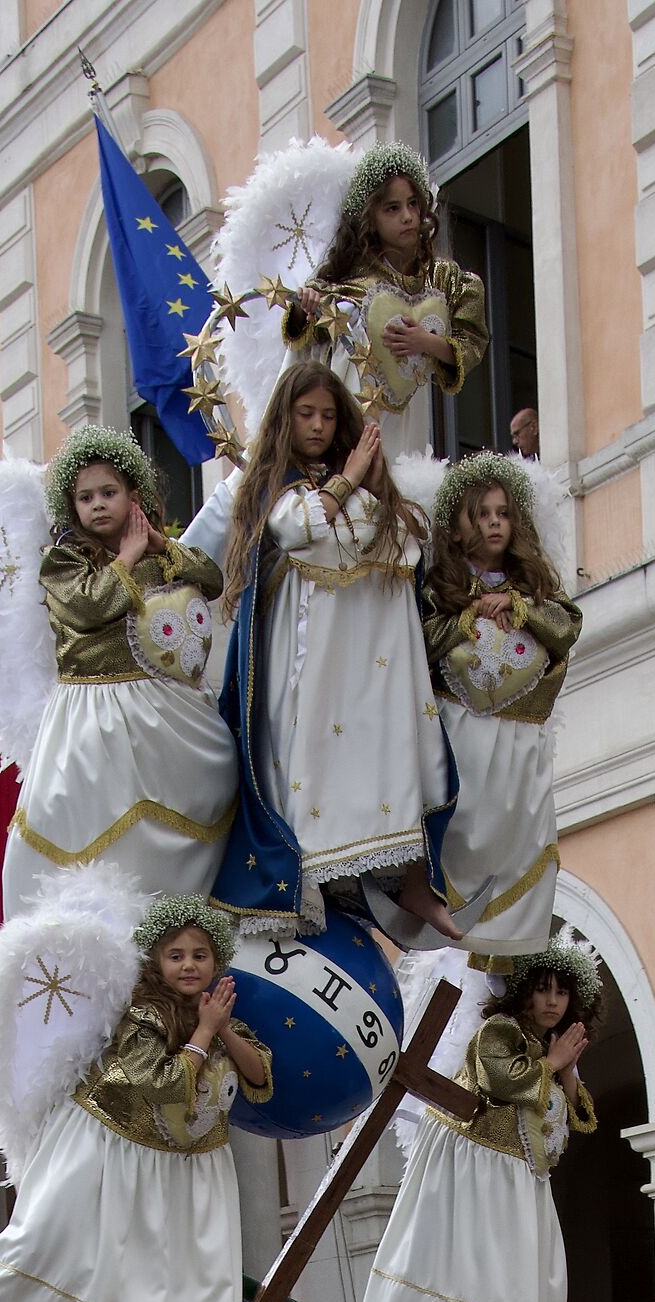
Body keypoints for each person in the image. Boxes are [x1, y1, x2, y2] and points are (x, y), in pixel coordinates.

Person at [0, 896, 271, 1302]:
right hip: (103, 1146)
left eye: (200, 955)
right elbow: (160, 1085)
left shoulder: (222, 1022)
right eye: (175, 955)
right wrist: (203, 1031)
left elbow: (259, 1077)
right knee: (45, 1240)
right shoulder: (143, 1015)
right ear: (156, 962)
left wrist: (220, 1027)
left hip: (179, 1166)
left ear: (216, 963)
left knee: (154, 1275)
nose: (188, 965)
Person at [214, 362, 458, 939]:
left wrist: (357, 492)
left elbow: (396, 542)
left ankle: (406, 877)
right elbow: (298, 528)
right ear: (285, 419)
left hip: (362, 660)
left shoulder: (363, 489)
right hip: (301, 660)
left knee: (382, 757)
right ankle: (312, 880)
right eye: (306, 414)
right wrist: (345, 484)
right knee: (309, 769)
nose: (319, 425)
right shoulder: (275, 486)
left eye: (328, 414)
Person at [344, 938, 601, 1302]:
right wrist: (556, 1063)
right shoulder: (500, 1029)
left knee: (525, 1278)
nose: (550, 1001)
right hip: (467, 1161)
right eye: (542, 990)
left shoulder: (552, 1049)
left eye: (561, 993)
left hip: (517, 1177)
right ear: (522, 990)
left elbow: (581, 1117)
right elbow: (502, 1079)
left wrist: (565, 1069)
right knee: (430, 1253)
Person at [0, 426, 238, 916]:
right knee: (77, 828)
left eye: (109, 492)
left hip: (168, 716)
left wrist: (160, 545)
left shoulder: (162, 553)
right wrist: (128, 558)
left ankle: (179, 930)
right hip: (93, 720)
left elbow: (211, 580)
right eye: (85, 497)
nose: (98, 505)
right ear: (72, 506)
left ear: (133, 496)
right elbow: (88, 608)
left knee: (180, 825)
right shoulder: (63, 560)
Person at [420, 454, 580, 958]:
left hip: (518, 744)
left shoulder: (532, 592)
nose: (493, 523)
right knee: (464, 825)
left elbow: (567, 627)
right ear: (459, 523)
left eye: (503, 513)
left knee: (520, 841)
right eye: (482, 513)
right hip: (463, 739)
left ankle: (507, 952)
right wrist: (469, 618)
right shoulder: (441, 590)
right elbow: (421, 641)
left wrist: (520, 608)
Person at [284, 145, 487, 455]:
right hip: (350, 411)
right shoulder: (347, 283)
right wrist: (306, 310)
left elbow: (472, 339)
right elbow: (314, 342)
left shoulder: (445, 279)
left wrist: (427, 342)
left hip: (407, 419)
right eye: (392, 208)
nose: (407, 217)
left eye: (412, 205)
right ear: (370, 218)